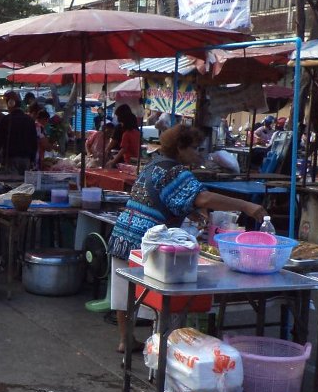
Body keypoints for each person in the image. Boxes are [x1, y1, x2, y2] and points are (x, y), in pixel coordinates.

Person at [108, 124, 266, 353]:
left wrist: (189, 211)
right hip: (148, 241)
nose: (198, 154)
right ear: (180, 148)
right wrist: (247, 206)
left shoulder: (154, 165)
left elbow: (163, 197)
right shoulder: (175, 171)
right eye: (195, 148)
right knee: (158, 298)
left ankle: (126, 340)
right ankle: (163, 350)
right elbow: (203, 197)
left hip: (123, 234)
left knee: (125, 293)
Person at [0, 90, 38, 173]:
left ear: (10, 104)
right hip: (26, 159)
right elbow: (34, 141)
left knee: (11, 184)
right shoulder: (30, 120)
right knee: (24, 184)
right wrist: (32, 159)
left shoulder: (6, 119)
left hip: (11, 158)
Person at [105, 105, 141, 169]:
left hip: (125, 161)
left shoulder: (126, 134)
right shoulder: (137, 132)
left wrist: (113, 161)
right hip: (135, 160)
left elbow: (123, 149)